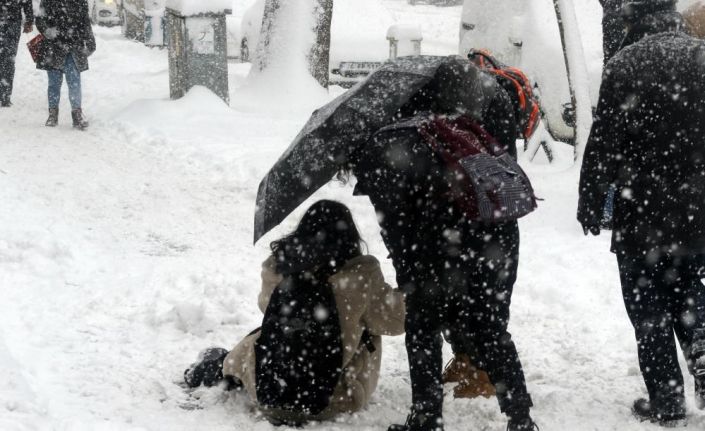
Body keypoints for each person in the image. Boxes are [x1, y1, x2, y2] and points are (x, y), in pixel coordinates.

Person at [349, 58, 538, 431]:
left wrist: (409, 269)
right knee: (491, 330)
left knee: (423, 328)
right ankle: (520, 417)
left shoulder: (392, 140)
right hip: (492, 243)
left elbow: (395, 220)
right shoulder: (469, 133)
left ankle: (426, 417)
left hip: (435, 248)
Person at [578, 0, 705, 426]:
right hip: (697, 207)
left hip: (642, 210)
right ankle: (702, 345)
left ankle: (667, 400)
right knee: (689, 285)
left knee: (648, 303)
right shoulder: (702, 57)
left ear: (636, 21)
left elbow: (604, 143)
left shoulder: (625, 63)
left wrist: (591, 201)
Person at [184, 200, 405, 426]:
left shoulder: (280, 266)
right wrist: (406, 287)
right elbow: (397, 322)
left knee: (262, 337)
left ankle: (218, 367)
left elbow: (265, 305)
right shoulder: (361, 278)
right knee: (369, 325)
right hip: (332, 398)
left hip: (270, 390)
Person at [35, 0, 95, 129]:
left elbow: (85, 22)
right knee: (54, 83)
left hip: (73, 45)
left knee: (74, 81)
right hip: (53, 47)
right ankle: (53, 113)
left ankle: (77, 114)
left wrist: (90, 42)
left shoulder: (80, 2)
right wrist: (47, 30)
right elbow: (39, 19)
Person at [0, 0, 34, 107]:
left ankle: (5, 94)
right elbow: (27, 2)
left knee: (8, 59)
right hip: (13, 21)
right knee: (9, 60)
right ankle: (5, 95)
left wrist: (29, 19)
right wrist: (29, 19)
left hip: (12, 21)